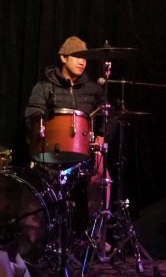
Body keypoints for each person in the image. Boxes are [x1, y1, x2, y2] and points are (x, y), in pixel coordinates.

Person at [25, 36, 108, 230]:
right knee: (34, 185)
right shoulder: (44, 87)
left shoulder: (94, 89)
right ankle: (35, 234)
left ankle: (96, 235)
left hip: (85, 153)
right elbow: (32, 115)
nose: (82, 62)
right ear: (63, 58)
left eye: (85, 58)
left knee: (101, 175)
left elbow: (108, 116)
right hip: (51, 153)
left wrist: (102, 135)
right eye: (77, 56)